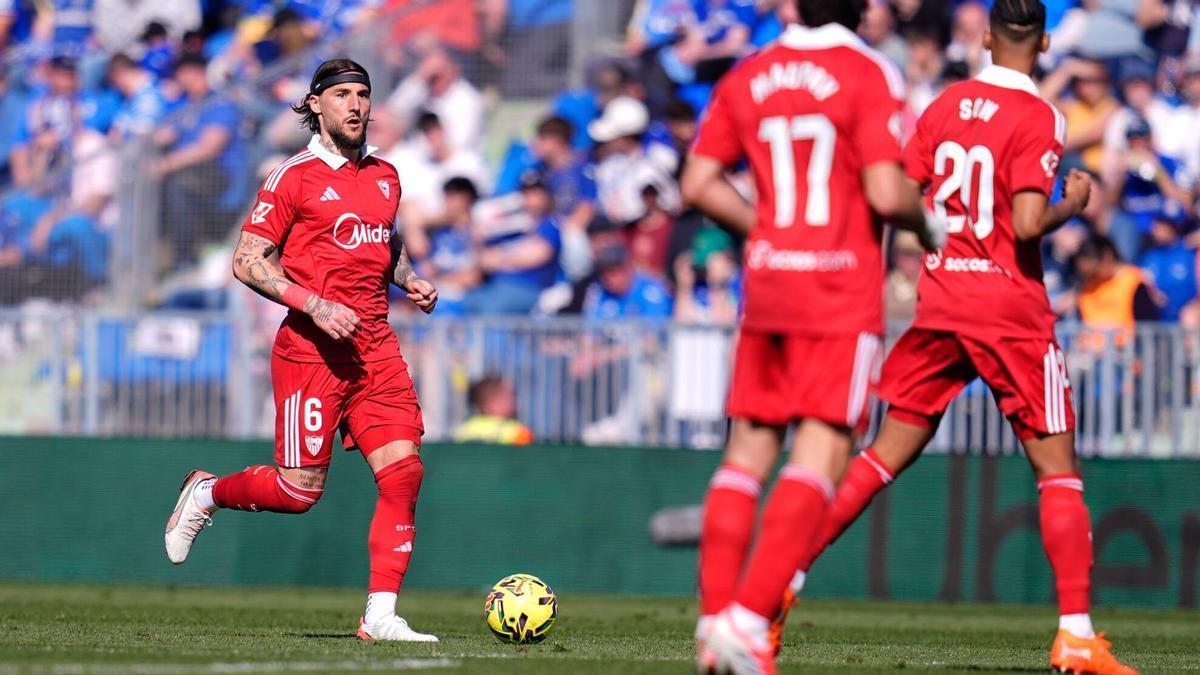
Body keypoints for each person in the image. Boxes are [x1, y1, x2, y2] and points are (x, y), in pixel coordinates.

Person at [769, 4, 1139, 674]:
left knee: (880, 457)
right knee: (1058, 472)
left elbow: (902, 193)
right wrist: (1073, 202)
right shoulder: (1041, 116)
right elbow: (1027, 223)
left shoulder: (944, 102)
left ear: (988, 40)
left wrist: (939, 241)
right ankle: (1077, 635)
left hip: (941, 300)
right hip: (1008, 312)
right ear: (1047, 42)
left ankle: (780, 584)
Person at [679, 1, 945, 672]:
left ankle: (714, 623)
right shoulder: (868, 71)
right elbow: (886, 192)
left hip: (769, 284)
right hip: (838, 288)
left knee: (745, 454)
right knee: (822, 451)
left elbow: (698, 182)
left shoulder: (750, 72)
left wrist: (763, 229)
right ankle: (747, 618)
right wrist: (929, 223)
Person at [162, 58, 441, 643]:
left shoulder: (386, 175)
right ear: (316, 105)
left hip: (375, 350)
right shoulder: (293, 177)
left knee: (404, 473)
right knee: (298, 493)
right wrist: (313, 303)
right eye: (342, 94)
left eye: (363, 93)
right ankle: (206, 491)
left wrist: (409, 278)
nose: (356, 105)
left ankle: (381, 615)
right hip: (310, 354)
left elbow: (382, 244)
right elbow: (247, 261)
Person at [453, 374, 534, 445]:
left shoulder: (462, 431)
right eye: (510, 397)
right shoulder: (517, 432)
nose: (516, 403)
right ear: (491, 404)